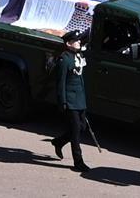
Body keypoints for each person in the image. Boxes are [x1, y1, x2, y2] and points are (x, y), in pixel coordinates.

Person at [51, 29, 91, 173]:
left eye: (79, 40)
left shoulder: (78, 56)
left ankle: (59, 141)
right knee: (75, 131)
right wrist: (62, 102)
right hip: (70, 100)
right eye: (76, 41)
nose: (79, 42)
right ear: (68, 44)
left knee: (81, 128)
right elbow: (60, 82)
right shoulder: (65, 59)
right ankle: (78, 162)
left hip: (80, 99)